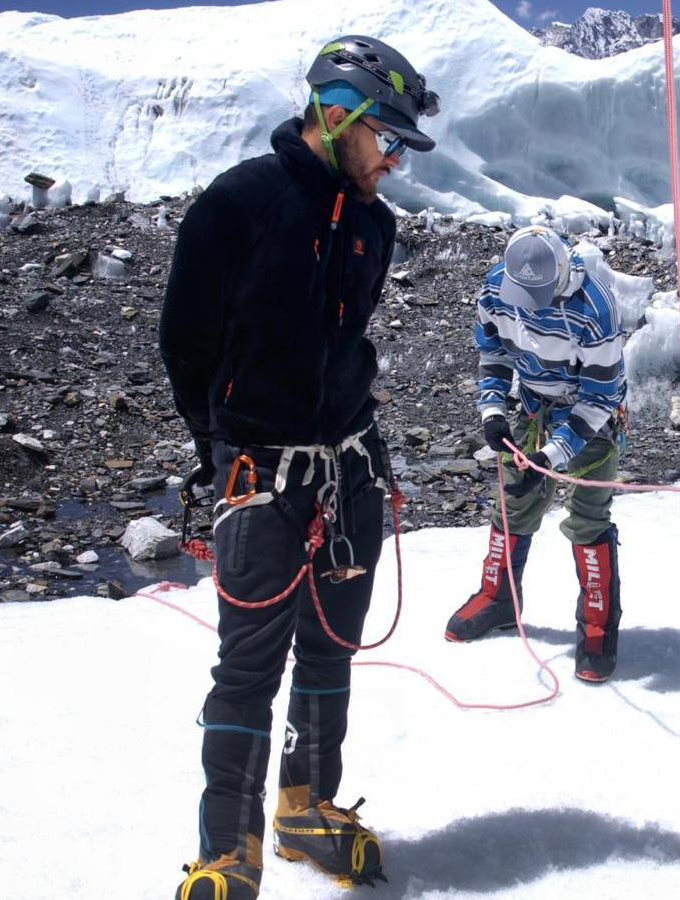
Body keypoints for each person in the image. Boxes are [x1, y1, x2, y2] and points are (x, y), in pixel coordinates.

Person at [158, 35, 439, 900]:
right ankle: (225, 850)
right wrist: (228, 447)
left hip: (350, 464)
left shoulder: (374, 224)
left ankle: (303, 806)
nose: (392, 161)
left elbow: (344, 338)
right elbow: (186, 343)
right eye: (385, 138)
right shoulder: (239, 203)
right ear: (339, 114)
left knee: (331, 648)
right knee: (248, 663)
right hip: (259, 470)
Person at [443, 226, 629, 684]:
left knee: (588, 516)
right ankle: (499, 596)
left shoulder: (595, 310)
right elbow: (492, 350)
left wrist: (552, 455)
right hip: (531, 406)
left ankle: (598, 625)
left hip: (590, 418)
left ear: (562, 273)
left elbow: (600, 398)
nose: (529, 306)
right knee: (513, 501)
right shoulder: (495, 287)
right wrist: (491, 409)